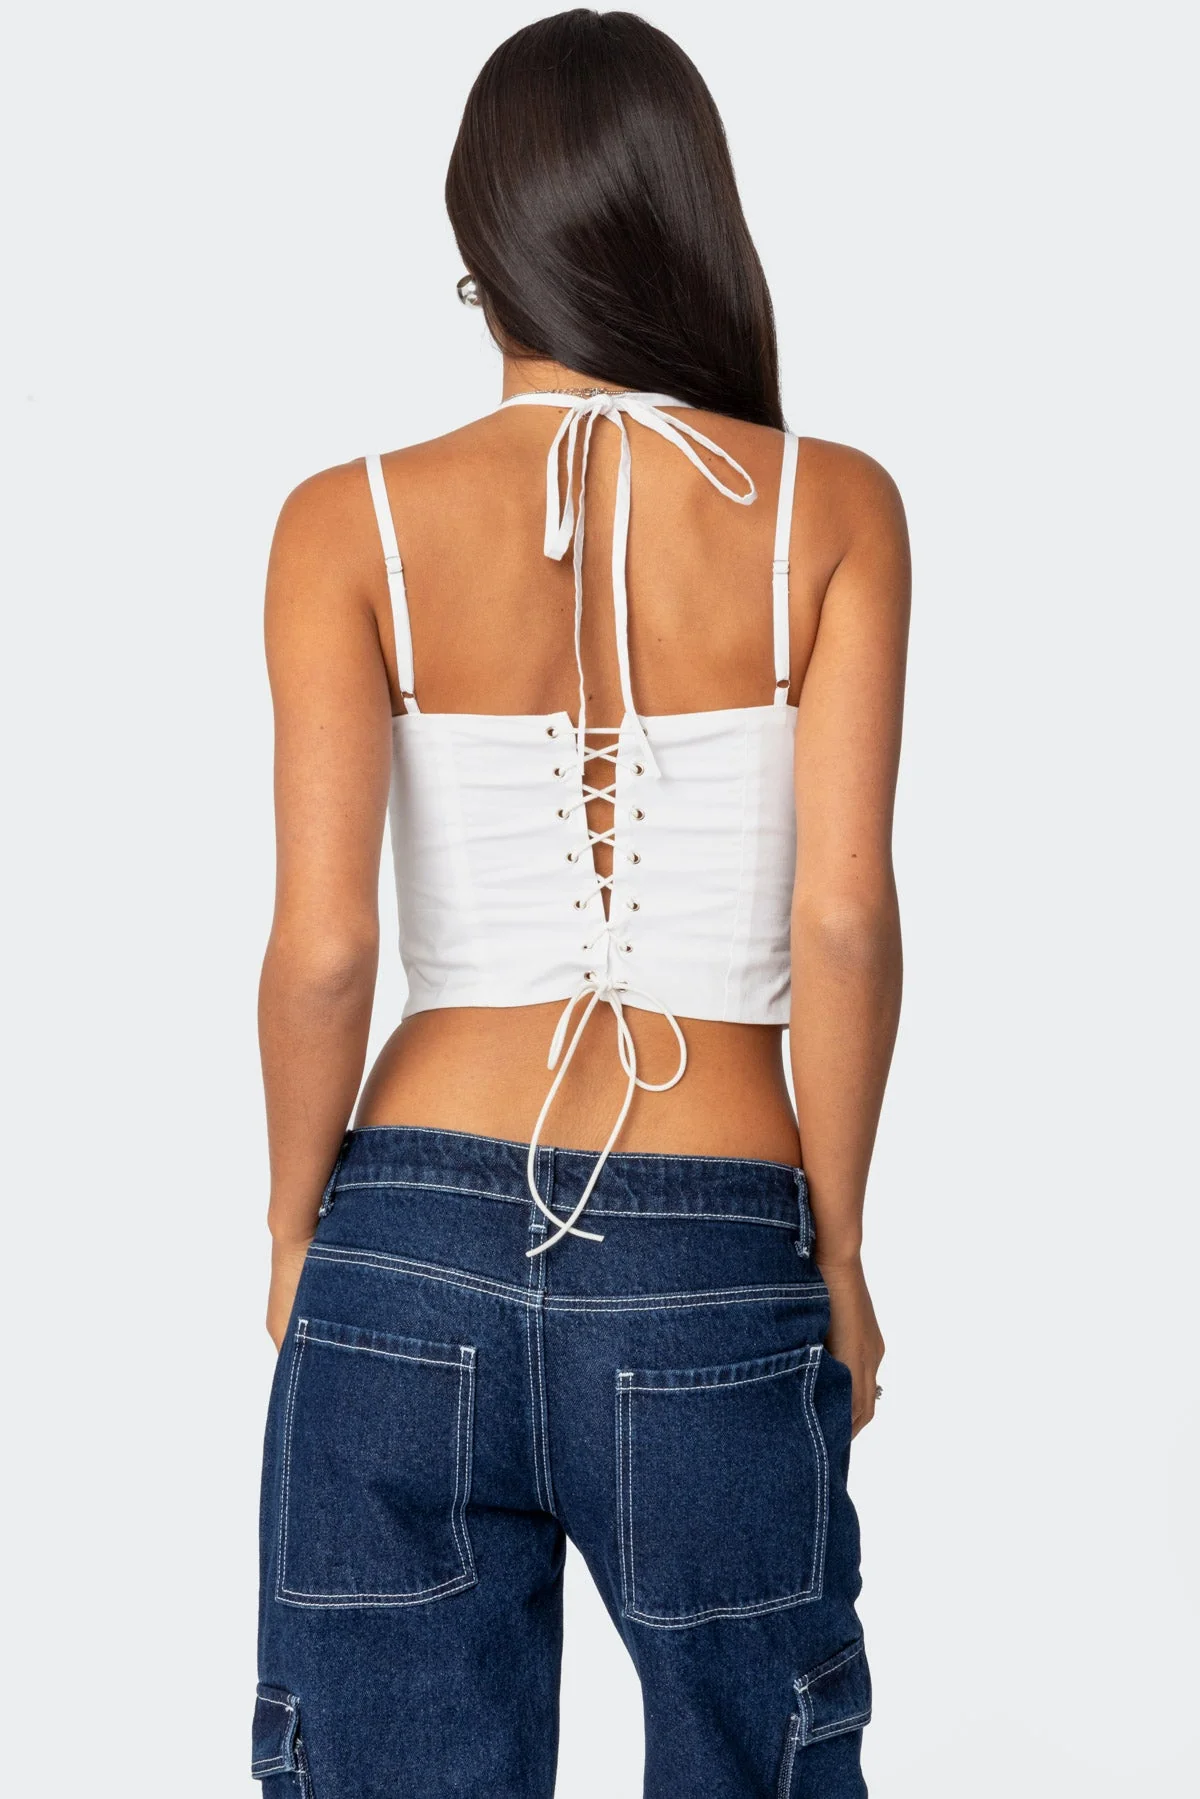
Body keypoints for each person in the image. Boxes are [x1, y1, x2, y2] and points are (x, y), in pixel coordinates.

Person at [252, 11, 908, 1797]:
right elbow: (845, 927)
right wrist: (840, 1255)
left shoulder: (347, 522)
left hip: (407, 1233)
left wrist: (300, 1230)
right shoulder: (828, 508)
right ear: (691, 218)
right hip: (717, 1244)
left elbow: (326, 949)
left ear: (480, 240)